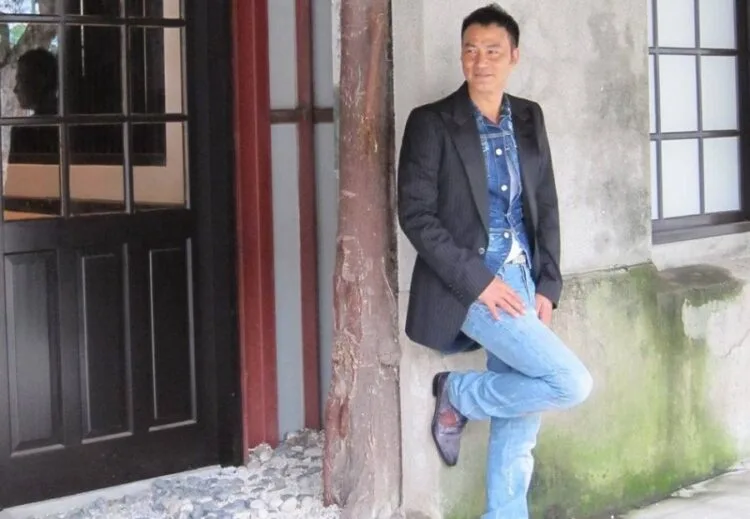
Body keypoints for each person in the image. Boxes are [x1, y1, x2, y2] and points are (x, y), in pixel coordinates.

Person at [397, 4, 593, 518]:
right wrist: (479, 282)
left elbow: (545, 204)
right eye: (470, 50)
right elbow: (416, 215)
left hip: (523, 277)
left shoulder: (528, 116)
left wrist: (548, 285)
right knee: (569, 383)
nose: (480, 61)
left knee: (520, 426)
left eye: (492, 50)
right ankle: (459, 393)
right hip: (470, 281)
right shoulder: (431, 122)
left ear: (514, 56)